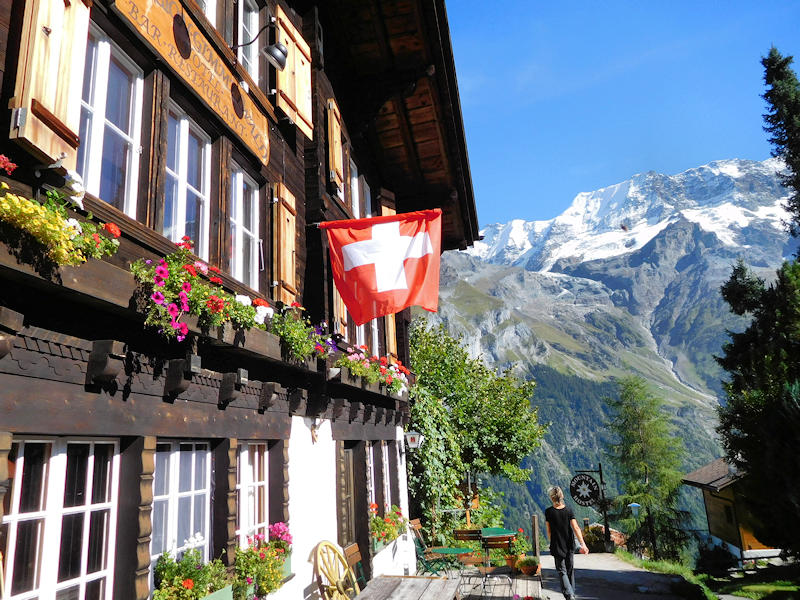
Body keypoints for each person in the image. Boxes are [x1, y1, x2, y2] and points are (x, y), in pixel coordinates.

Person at [545, 485, 588, 600]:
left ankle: (569, 595)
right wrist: (582, 544)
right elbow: (576, 528)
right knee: (569, 571)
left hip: (556, 544)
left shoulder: (548, 512)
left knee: (561, 571)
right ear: (562, 496)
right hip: (569, 543)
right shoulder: (568, 510)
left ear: (551, 498)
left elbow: (548, 531)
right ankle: (571, 595)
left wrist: (552, 542)